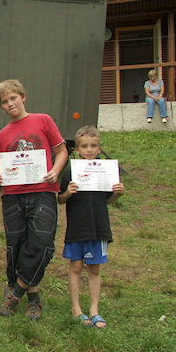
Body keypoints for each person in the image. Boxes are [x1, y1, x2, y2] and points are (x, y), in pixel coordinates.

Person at [0, 79, 68, 321]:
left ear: (23, 97)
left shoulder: (43, 120)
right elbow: (2, 167)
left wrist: (55, 170)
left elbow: (62, 151)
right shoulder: (3, 134)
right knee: (16, 245)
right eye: (4, 102)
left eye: (13, 98)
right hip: (12, 195)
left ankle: (16, 291)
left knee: (42, 243)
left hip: (42, 191)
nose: (10, 104)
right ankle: (33, 297)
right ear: (1, 107)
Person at [58, 125, 124, 329]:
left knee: (94, 268)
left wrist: (117, 193)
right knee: (76, 266)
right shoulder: (71, 171)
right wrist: (67, 193)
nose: (89, 150)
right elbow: (60, 199)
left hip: (98, 227)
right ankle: (76, 310)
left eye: (93, 146)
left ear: (99, 148)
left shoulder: (106, 171)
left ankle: (95, 311)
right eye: (84, 146)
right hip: (77, 227)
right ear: (77, 149)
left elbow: (108, 200)